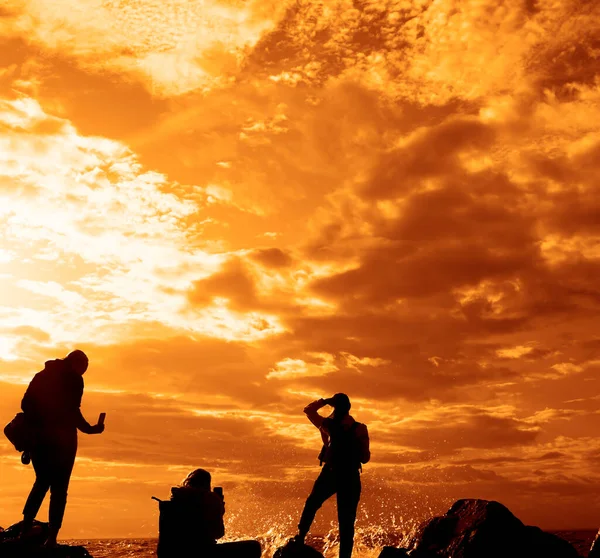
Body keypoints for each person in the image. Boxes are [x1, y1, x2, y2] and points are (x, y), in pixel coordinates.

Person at [20, 350, 105, 547]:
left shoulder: (42, 375)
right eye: (83, 368)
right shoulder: (74, 380)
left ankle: (24, 530)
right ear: (75, 363)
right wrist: (91, 430)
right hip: (63, 441)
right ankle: (51, 538)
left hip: (39, 440)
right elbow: (73, 411)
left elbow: (25, 403)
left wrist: (39, 424)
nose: (83, 373)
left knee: (41, 483)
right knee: (59, 490)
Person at [294, 393, 370, 558]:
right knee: (346, 522)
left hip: (330, 473)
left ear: (334, 407)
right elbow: (365, 458)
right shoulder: (359, 428)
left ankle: (300, 538)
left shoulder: (326, 425)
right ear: (349, 408)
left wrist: (325, 401)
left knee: (312, 503)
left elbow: (308, 410)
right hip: (350, 476)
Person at [156, 468, 261, 558]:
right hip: (201, 553)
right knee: (254, 547)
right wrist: (218, 508)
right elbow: (218, 533)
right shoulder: (208, 499)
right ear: (207, 485)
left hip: (170, 554)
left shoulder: (171, 503)